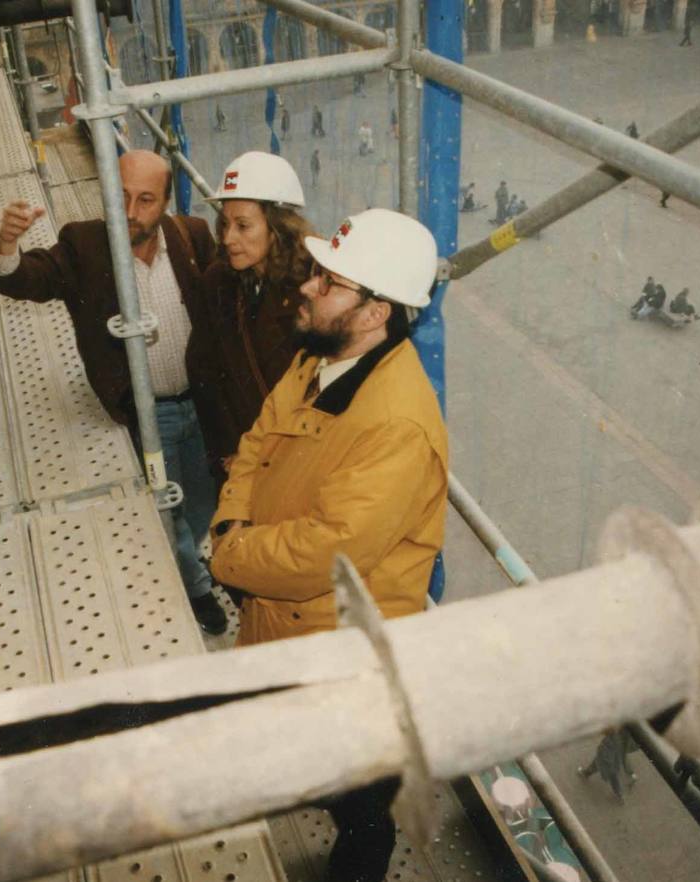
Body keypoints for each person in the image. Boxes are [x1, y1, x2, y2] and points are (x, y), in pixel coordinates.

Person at [210, 208, 447, 882]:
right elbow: (254, 446)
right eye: (318, 272)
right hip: (285, 623)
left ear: (375, 313)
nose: (308, 287)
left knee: (361, 801)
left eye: (330, 280)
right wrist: (233, 524)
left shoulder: (396, 425)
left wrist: (230, 551)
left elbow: (326, 553)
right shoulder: (320, 357)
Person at [0, 150, 229, 635]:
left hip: (202, 403)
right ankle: (196, 585)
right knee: (166, 509)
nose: (130, 212)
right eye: (119, 197)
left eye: (145, 200)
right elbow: (29, 279)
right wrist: (7, 245)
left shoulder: (192, 236)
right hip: (145, 413)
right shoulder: (83, 244)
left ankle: (187, 561)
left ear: (165, 202)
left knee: (203, 499)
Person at [195, 151, 313, 474]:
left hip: (301, 461)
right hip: (244, 458)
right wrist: (232, 448)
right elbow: (204, 371)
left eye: (243, 226)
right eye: (224, 224)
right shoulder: (218, 282)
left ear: (278, 229)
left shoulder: (316, 288)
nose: (227, 238)